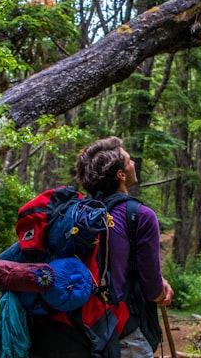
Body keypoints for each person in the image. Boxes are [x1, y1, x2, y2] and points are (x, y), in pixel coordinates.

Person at [74, 136, 174, 357]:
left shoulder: (81, 214)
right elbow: (152, 287)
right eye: (129, 161)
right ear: (121, 174)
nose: (133, 163)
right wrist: (161, 290)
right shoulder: (140, 216)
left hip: (80, 329)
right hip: (123, 330)